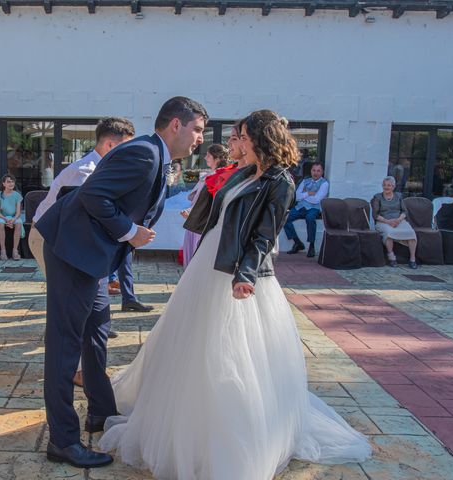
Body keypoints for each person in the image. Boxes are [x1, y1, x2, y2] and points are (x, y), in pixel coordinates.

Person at [98, 110, 371, 479]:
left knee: (232, 353)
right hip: (208, 263)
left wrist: (245, 275)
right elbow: (221, 213)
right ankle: (186, 418)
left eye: (240, 137)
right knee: (194, 344)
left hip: (238, 272)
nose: (234, 144)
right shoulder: (242, 173)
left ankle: (232, 437)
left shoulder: (281, 182)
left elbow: (264, 235)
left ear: (260, 139)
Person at [35, 97, 207, 470]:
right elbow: (95, 195)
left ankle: (100, 412)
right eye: (196, 130)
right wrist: (130, 232)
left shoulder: (156, 156)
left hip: (92, 256)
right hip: (72, 253)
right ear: (175, 125)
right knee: (64, 347)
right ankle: (62, 441)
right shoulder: (145, 153)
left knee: (96, 333)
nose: (199, 139)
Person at [29, 117, 136, 389]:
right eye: (126, 147)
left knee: (84, 303)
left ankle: (81, 364)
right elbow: (82, 220)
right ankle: (75, 369)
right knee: (73, 303)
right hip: (51, 238)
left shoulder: (102, 168)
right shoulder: (85, 172)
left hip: (71, 239)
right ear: (110, 144)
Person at [180, 143, 229, 268]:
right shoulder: (208, 175)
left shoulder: (218, 177)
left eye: (208, 155)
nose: (205, 158)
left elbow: (209, 204)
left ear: (217, 159)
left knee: (197, 259)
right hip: (195, 218)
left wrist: (193, 213)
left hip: (202, 223)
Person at [371, 176, 418, 269]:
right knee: (389, 233)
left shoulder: (398, 196)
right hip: (383, 221)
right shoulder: (378, 197)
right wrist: (387, 221)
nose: (386, 187)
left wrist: (399, 220)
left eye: (389, 185)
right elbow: (375, 215)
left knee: (411, 233)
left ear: (393, 187)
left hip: (398, 220)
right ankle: (391, 257)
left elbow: (405, 211)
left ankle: (412, 259)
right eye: (384, 185)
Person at [284, 162, 328, 257]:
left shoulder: (324, 184)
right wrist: (308, 193)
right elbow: (296, 196)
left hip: (314, 209)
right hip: (300, 207)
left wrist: (304, 195)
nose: (315, 173)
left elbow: (316, 200)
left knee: (310, 218)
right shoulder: (305, 181)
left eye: (318, 171)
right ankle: (297, 243)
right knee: (285, 217)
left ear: (322, 172)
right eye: (314, 170)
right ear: (311, 171)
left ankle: (311, 246)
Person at [0, 174, 25, 261]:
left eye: (12, 181)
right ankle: (3, 251)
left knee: (18, 223)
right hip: (0, 216)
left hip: (13, 216)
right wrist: (6, 219)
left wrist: (13, 219)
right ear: (4, 184)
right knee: (1, 223)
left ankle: (15, 251)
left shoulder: (17, 195)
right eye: (8, 182)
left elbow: (18, 212)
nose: (11, 183)